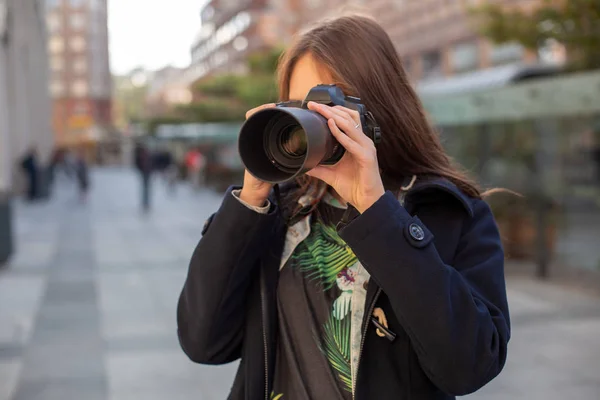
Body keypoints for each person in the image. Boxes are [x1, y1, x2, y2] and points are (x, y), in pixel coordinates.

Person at [177, 15, 510, 400]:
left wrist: (376, 210)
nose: (308, 122)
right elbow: (203, 342)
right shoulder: (279, 210)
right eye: (298, 107)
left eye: (325, 105)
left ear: (379, 106)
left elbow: (468, 366)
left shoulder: (449, 212)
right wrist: (251, 198)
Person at [134, 143, 152, 212]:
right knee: (145, 188)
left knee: (147, 189)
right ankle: (145, 202)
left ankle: (146, 202)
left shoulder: (148, 156)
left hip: (147, 172)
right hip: (144, 173)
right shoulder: (140, 156)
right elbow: (137, 164)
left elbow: (151, 163)